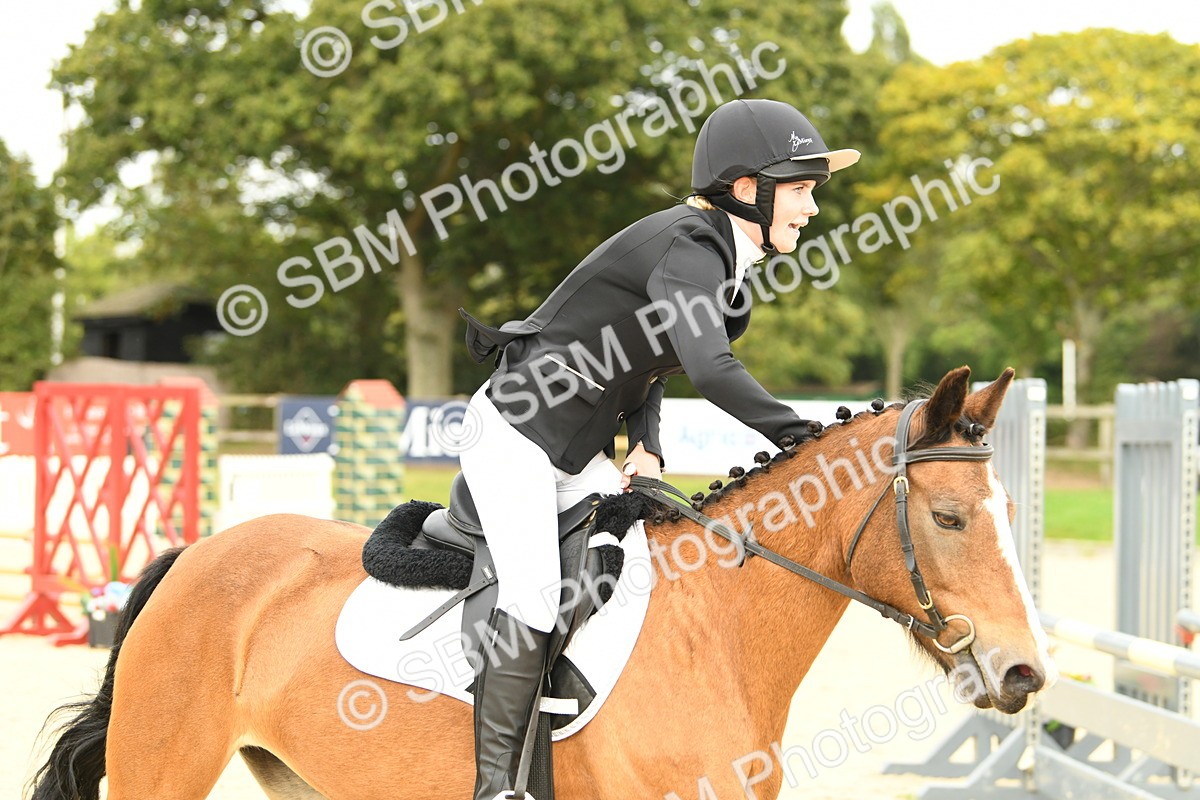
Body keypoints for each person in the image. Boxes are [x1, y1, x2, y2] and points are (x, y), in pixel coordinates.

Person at [456, 98, 859, 799]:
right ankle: (497, 788)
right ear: (747, 190)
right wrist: (805, 441)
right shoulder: (690, 248)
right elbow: (710, 370)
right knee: (535, 592)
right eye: (801, 189)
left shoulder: (717, 264)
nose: (812, 208)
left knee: (639, 561)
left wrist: (646, 446)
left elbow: (649, 362)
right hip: (517, 436)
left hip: (573, 450)